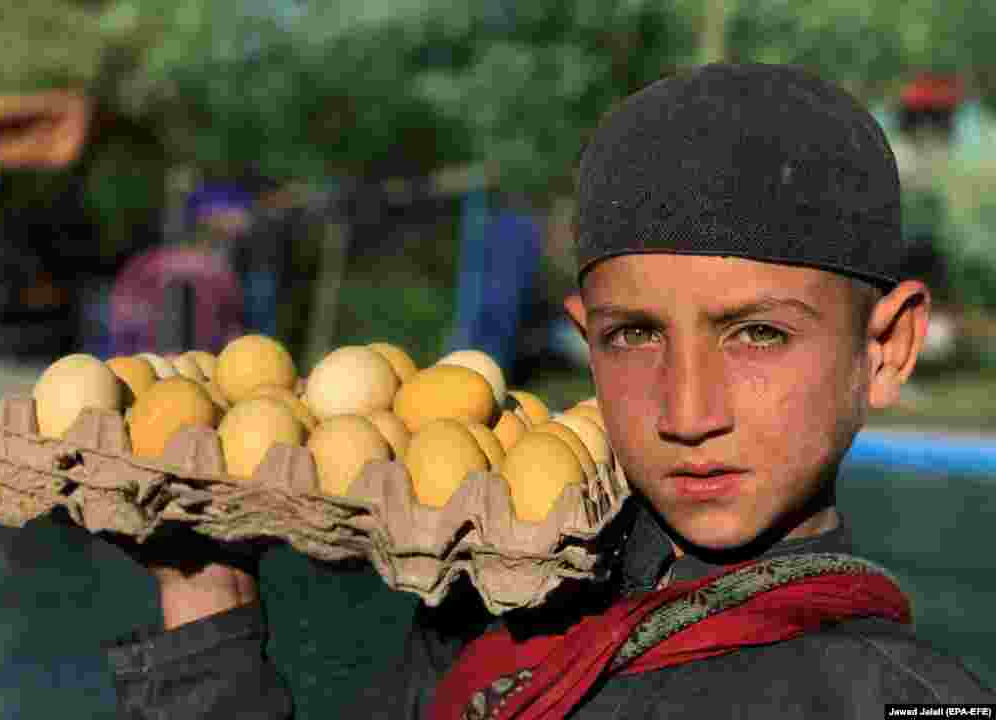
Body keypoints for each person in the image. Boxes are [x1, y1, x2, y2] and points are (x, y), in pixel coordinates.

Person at [102, 64, 995, 719]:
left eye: (758, 334)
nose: (688, 414)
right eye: (634, 336)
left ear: (887, 347)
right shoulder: (501, 609)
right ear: (585, 336)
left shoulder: (902, 704)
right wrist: (207, 608)